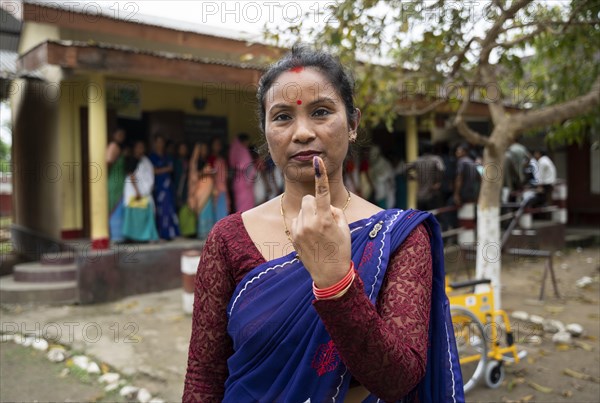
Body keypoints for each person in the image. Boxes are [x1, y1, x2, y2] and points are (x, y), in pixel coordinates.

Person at [183, 45, 463, 402]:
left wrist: (335, 281)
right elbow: (204, 375)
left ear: (353, 124)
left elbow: (399, 380)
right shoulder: (228, 238)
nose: (302, 132)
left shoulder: (398, 238)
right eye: (282, 117)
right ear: (266, 133)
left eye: (320, 112)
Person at [122, 140, 159, 242]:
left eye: (142, 147)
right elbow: (131, 176)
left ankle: (144, 237)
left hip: (145, 192)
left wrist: (145, 190)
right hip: (133, 192)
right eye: (138, 147)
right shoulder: (131, 160)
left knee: (146, 215)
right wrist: (137, 191)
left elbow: (150, 176)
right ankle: (132, 238)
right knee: (132, 216)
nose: (140, 149)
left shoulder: (146, 161)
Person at [149, 134, 180, 240]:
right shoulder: (152, 157)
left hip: (168, 187)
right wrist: (166, 169)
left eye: (162, 142)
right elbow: (153, 171)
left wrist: (162, 170)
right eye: (158, 142)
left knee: (169, 209)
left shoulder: (167, 157)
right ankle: (161, 234)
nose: (160, 144)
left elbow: (170, 169)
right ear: (155, 143)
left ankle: (171, 233)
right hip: (158, 187)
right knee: (160, 210)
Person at [406, 142, 445, 211]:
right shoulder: (436, 159)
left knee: (421, 217)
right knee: (434, 216)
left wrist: (412, 177)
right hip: (432, 193)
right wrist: (438, 182)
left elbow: (406, 168)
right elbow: (441, 169)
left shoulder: (418, 161)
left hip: (420, 195)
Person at [106, 128, 127, 242]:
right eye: (119, 133)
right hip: (114, 181)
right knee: (114, 204)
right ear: (113, 135)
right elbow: (108, 162)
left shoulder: (118, 147)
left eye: (123, 134)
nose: (121, 136)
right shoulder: (114, 146)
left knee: (118, 205)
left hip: (118, 180)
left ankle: (117, 235)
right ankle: (116, 236)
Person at [229, 133, 256, 212]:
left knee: (239, 206)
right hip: (245, 185)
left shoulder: (234, 151)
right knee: (246, 209)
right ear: (244, 142)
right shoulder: (244, 152)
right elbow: (250, 171)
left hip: (237, 183)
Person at [208, 137, 230, 221]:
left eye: (219, 144)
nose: (218, 146)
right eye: (216, 144)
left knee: (223, 212)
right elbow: (211, 175)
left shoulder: (222, 158)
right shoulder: (211, 159)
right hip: (216, 190)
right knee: (217, 213)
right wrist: (213, 188)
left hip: (223, 189)